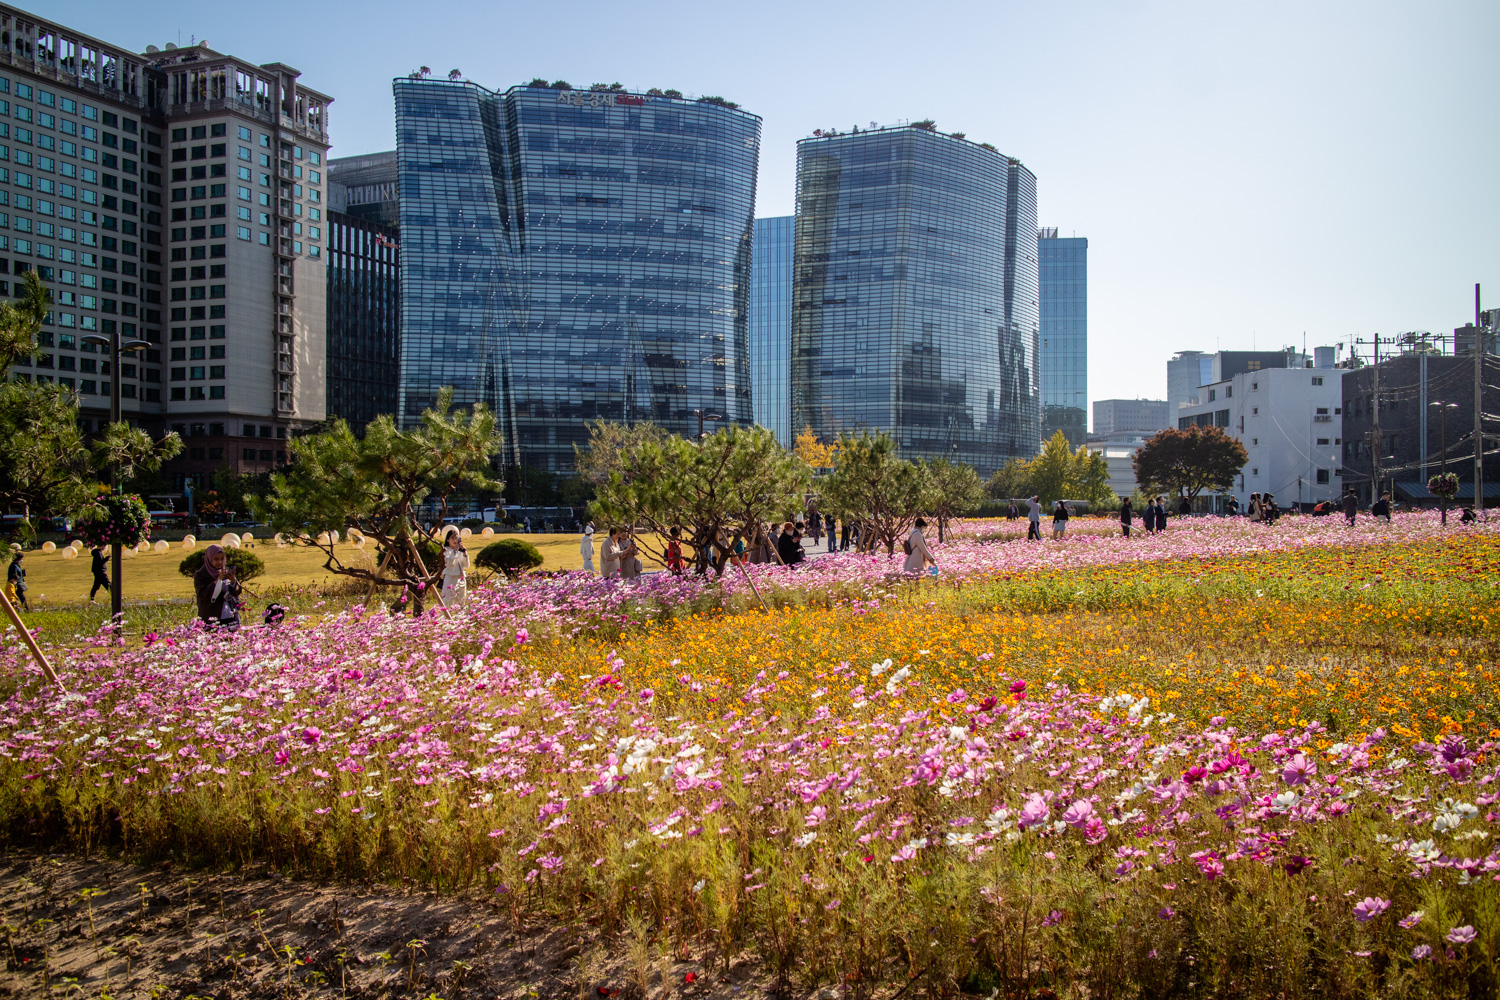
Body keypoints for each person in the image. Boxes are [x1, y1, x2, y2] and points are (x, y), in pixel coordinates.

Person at [193, 544, 242, 630]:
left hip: (229, 615)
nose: (220, 562)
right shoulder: (200, 575)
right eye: (216, 559)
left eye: (222, 559)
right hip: (211, 618)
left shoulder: (225, 571)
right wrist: (217, 581)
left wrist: (233, 580)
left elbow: (237, 591)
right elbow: (203, 595)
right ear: (209, 559)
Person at [440, 529, 469, 610]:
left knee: (461, 600)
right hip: (451, 577)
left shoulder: (460, 550)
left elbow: (466, 565)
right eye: (452, 538)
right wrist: (455, 551)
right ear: (447, 540)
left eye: (456, 538)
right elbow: (449, 564)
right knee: (448, 599)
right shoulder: (445, 550)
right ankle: (446, 617)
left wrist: (464, 552)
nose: (454, 540)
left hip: (461, 578)